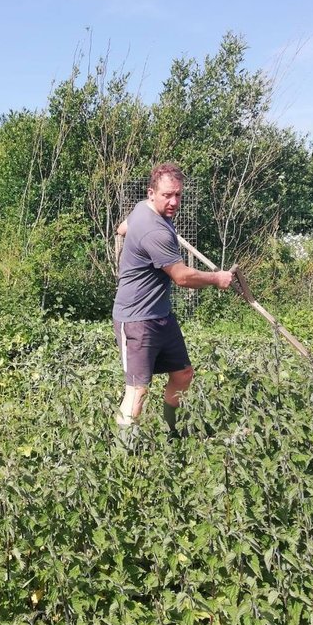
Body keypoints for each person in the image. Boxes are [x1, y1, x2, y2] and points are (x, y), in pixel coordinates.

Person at [112, 162, 234, 438]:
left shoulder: (143, 209)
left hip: (160, 315)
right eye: (167, 195)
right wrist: (217, 278)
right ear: (152, 193)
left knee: (183, 374)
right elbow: (182, 277)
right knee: (138, 390)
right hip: (135, 320)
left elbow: (123, 227)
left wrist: (127, 231)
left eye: (178, 195)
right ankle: (122, 456)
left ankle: (172, 432)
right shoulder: (155, 231)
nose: (174, 201)